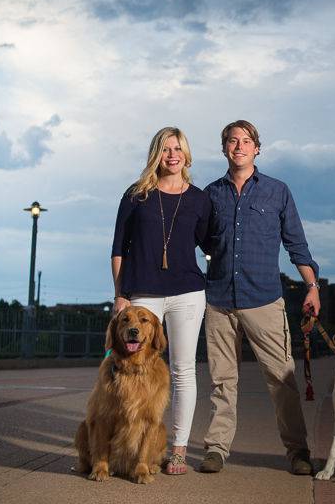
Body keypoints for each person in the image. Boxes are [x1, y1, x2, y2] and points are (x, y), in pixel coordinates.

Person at [199, 120, 320, 475]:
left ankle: (298, 452)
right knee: (223, 381)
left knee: (282, 380)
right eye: (232, 141)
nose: (239, 146)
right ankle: (217, 449)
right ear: (224, 148)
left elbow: (297, 244)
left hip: (265, 301)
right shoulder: (210, 194)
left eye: (246, 141)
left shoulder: (277, 191)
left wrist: (312, 287)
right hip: (219, 300)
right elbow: (206, 242)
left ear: (257, 149)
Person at [111, 127, 211, 475]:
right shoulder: (136, 195)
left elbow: (209, 243)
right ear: (157, 153)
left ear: (186, 154)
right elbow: (118, 248)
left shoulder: (200, 199)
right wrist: (120, 295)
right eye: (166, 148)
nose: (173, 155)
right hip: (141, 294)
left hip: (187, 293)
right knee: (135, 369)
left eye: (178, 148)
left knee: (183, 369)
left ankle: (179, 450)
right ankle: (133, 444)